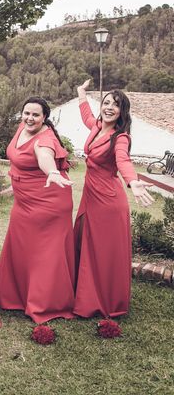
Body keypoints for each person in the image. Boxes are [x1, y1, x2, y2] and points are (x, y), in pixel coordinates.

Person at [0, 97, 76, 323]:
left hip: (48, 201)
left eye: (36, 115)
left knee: (44, 252)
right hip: (24, 201)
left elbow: (45, 156)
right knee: (20, 244)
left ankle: (44, 304)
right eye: (26, 113)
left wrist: (52, 172)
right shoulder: (22, 127)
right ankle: (13, 296)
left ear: (44, 117)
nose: (30, 118)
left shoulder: (44, 139)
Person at [73, 81, 153, 318]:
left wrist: (132, 181)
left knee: (102, 251)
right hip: (90, 195)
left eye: (115, 105)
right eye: (106, 103)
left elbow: (123, 160)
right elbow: (86, 115)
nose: (109, 107)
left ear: (122, 112)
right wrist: (81, 93)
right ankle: (83, 291)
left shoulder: (121, 137)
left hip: (108, 200)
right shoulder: (97, 127)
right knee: (86, 243)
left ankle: (103, 299)